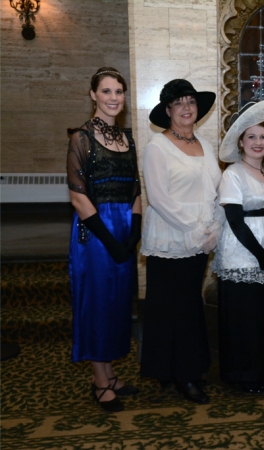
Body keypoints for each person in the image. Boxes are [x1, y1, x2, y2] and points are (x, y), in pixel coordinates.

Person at [140, 79, 223, 404]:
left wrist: (214, 227)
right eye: (179, 102)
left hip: (200, 240)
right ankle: (181, 374)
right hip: (172, 240)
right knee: (170, 307)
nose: (187, 107)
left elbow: (214, 191)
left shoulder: (205, 144)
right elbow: (159, 199)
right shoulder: (156, 147)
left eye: (191, 101)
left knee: (189, 306)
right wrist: (195, 230)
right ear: (168, 110)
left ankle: (180, 369)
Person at [67, 67, 141, 412]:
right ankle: (99, 381)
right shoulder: (81, 138)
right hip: (95, 232)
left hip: (124, 227)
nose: (114, 98)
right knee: (96, 303)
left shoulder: (127, 138)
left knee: (116, 303)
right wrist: (110, 242)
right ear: (93, 95)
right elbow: (78, 197)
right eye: (107, 91)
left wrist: (135, 230)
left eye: (119, 92)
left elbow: (136, 189)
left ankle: (110, 374)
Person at [213, 99, 264, 394]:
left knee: (263, 317)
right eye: (251, 137)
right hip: (241, 255)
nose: (258, 142)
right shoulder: (233, 174)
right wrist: (260, 256)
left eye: (263, 136)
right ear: (241, 142)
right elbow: (234, 220)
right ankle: (242, 374)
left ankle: (263, 370)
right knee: (243, 318)